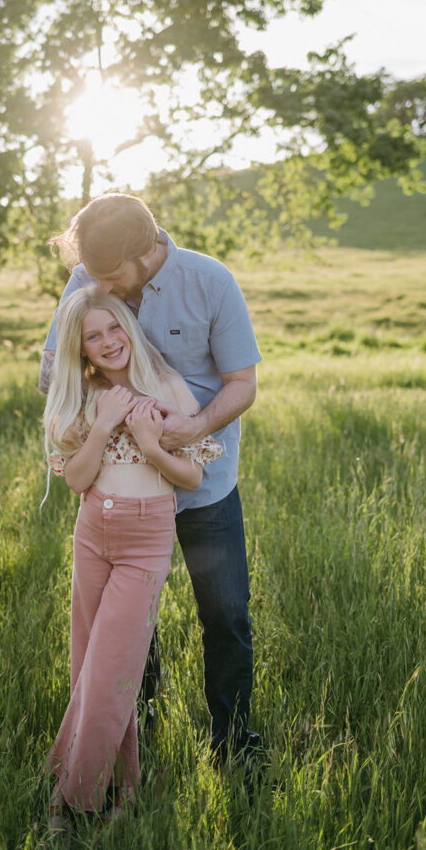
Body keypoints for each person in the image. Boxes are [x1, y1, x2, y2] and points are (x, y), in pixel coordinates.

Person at [40, 193, 262, 769]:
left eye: (111, 276)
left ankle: (234, 744)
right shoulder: (88, 278)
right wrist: (99, 414)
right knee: (130, 625)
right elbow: (55, 372)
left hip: (202, 484)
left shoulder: (211, 281)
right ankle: (134, 737)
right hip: (123, 495)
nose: (102, 287)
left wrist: (191, 426)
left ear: (147, 251)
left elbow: (242, 383)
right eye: (93, 276)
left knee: (226, 614)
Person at [44, 285, 222, 830]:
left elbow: (193, 475)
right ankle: (124, 791)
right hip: (93, 527)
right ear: (81, 350)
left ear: (128, 326)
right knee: (89, 664)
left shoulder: (166, 386)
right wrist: (102, 425)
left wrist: (150, 444)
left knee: (114, 666)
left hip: (146, 536)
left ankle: (71, 800)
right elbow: (76, 480)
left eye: (113, 327)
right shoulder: (84, 395)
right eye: (92, 337)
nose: (107, 342)